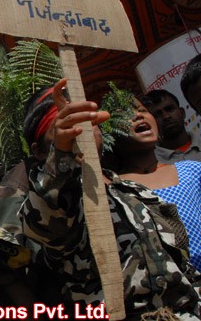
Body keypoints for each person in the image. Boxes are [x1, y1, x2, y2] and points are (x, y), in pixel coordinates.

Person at [20, 78, 201, 320]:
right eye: (65, 125)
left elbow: (180, 260)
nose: (78, 130)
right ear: (40, 151)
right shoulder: (58, 199)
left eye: (85, 121)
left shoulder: (132, 189)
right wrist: (62, 155)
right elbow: (46, 220)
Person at [107, 92, 201, 270]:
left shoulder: (193, 170)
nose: (138, 115)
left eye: (142, 110)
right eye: (124, 114)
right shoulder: (114, 190)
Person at [142, 89, 201, 163]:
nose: (166, 116)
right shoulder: (151, 164)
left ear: (182, 113)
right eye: (157, 115)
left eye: (170, 109)